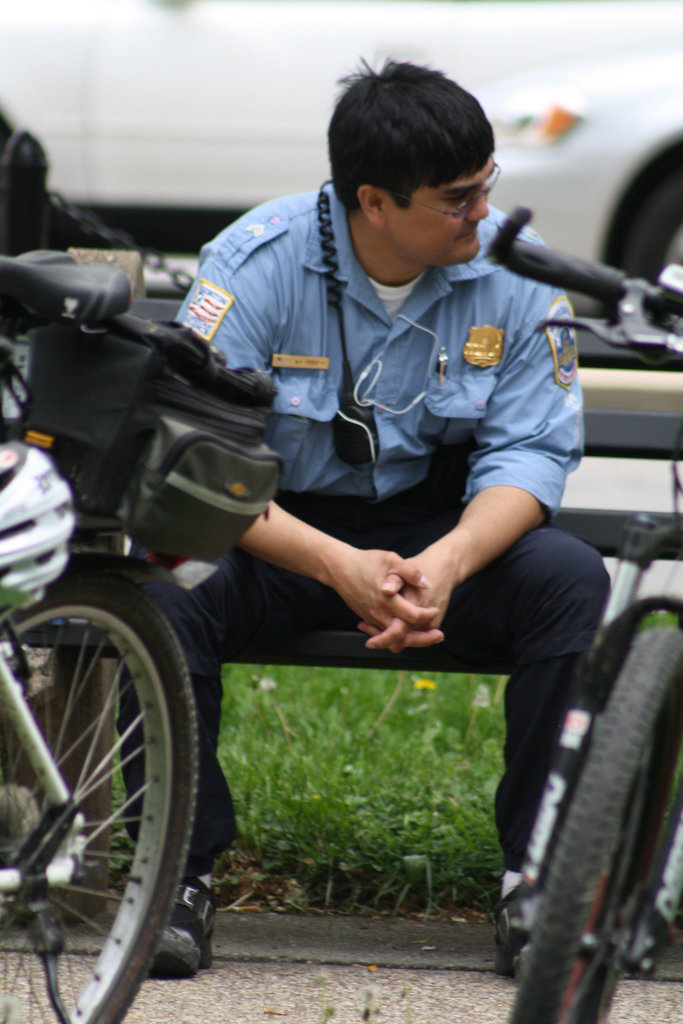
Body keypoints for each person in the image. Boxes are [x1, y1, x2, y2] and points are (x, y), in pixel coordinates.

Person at [144, 60, 610, 979]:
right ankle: (177, 872)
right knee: (166, 585)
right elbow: (201, 467)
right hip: (276, 529)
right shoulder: (257, 264)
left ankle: (539, 880)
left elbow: (530, 453)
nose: (484, 214)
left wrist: (448, 562)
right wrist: (333, 564)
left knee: (569, 583)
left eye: (486, 188)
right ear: (374, 201)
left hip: (449, 533)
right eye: (456, 200)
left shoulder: (512, 272)